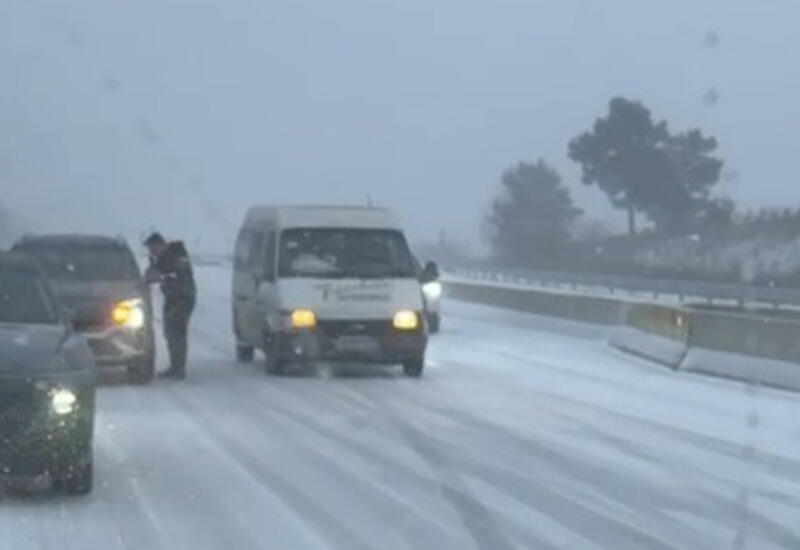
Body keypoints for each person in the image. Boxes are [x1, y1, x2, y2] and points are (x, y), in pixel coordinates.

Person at [144, 232, 196, 380]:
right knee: (170, 332)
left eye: (153, 248)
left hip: (182, 299)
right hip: (173, 298)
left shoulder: (177, 256)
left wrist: (161, 276)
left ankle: (179, 369)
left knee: (177, 333)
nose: (151, 251)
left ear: (161, 245)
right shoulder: (164, 258)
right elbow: (153, 276)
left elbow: (181, 278)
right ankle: (175, 366)